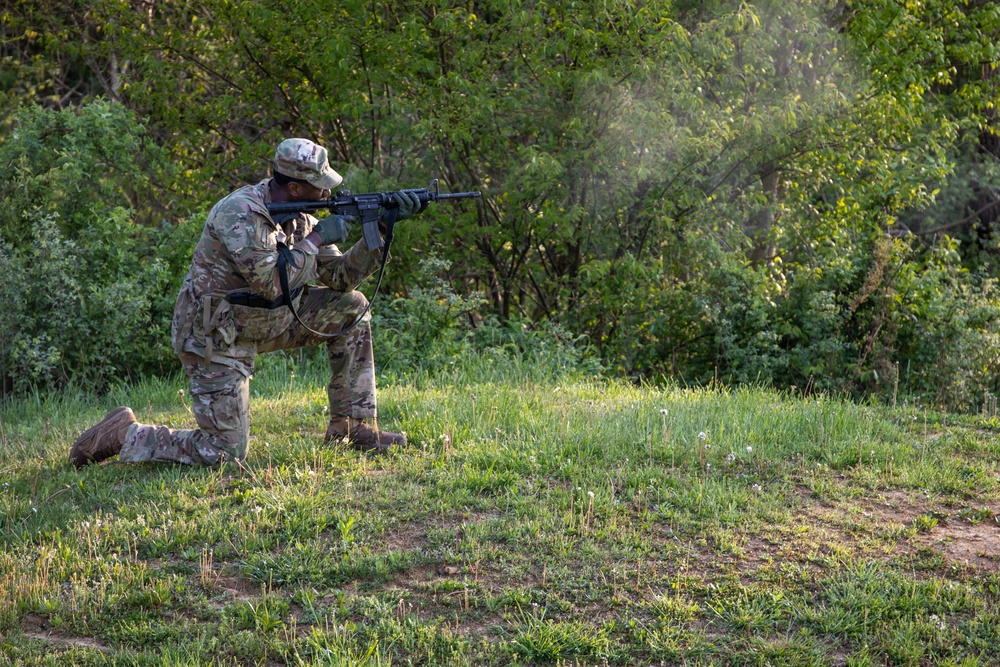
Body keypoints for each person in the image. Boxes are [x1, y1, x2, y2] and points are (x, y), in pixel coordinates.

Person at [69, 138, 422, 467]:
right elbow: (270, 283)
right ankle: (125, 434)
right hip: (217, 334)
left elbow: (341, 277)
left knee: (352, 308)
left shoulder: (302, 218)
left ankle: (351, 427)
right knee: (224, 452)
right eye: (321, 184)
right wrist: (315, 240)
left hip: (270, 319)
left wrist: (382, 232)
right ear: (295, 187)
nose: (328, 191)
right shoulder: (239, 214)